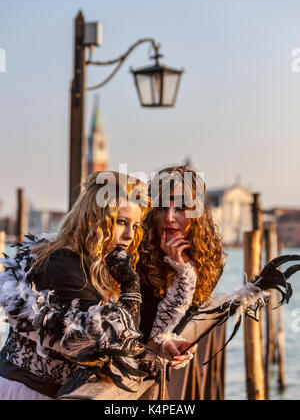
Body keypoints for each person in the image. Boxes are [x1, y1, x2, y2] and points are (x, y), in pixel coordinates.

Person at [0, 171, 161, 400]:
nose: (129, 235)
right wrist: (130, 285)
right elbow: (114, 342)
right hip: (27, 392)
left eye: (135, 226)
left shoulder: (87, 263)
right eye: (121, 222)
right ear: (94, 218)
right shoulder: (63, 266)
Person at [137, 165, 225, 370]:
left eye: (180, 209)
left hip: (153, 373)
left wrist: (184, 268)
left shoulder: (210, 264)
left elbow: (173, 328)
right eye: (161, 208)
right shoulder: (136, 254)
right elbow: (139, 331)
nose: (169, 217)